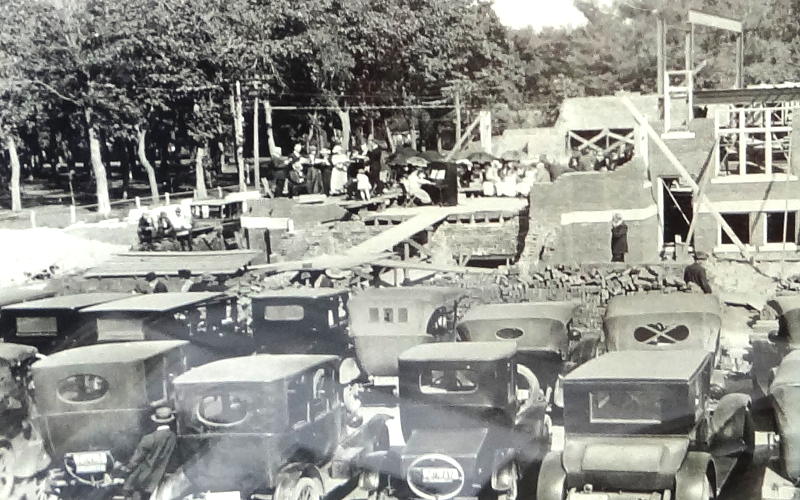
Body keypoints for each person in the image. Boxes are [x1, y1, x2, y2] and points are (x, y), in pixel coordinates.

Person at [119, 406, 178, 500]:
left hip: (145, 478)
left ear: (155, 421)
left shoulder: (149, 438)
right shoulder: (173, 437)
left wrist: (124, 468)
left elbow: (136, 460)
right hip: (161, 476)